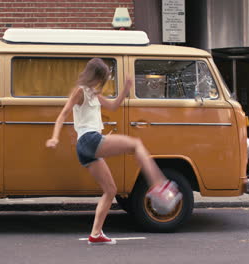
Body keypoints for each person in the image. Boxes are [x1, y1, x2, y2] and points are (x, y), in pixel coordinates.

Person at [46, 58, 182, 245]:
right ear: (93, 76)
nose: (99, 84)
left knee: (110, 190)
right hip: (89, 140)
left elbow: (113, 106)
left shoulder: (94, 94)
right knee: (136, 144)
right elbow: (63, 114)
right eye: (100, 79)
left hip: (86, 147)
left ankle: (95, 233)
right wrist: (55, 137)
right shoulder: (80, 92)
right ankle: (159, 185)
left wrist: (126, 89)